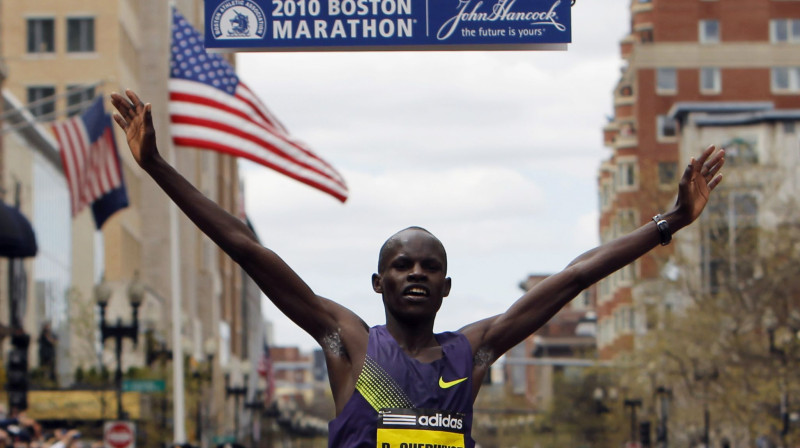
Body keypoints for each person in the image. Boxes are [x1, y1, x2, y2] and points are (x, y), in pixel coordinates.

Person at [110, 89, 724, 448]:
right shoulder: (347, 343)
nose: (415, 273)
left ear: (446, 286)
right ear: (378, 283)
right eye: (401, 265)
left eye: (430, 267)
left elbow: (573, 278)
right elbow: (249, 250)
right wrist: (158, 167)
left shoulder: (473, 354)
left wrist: (667, 223)